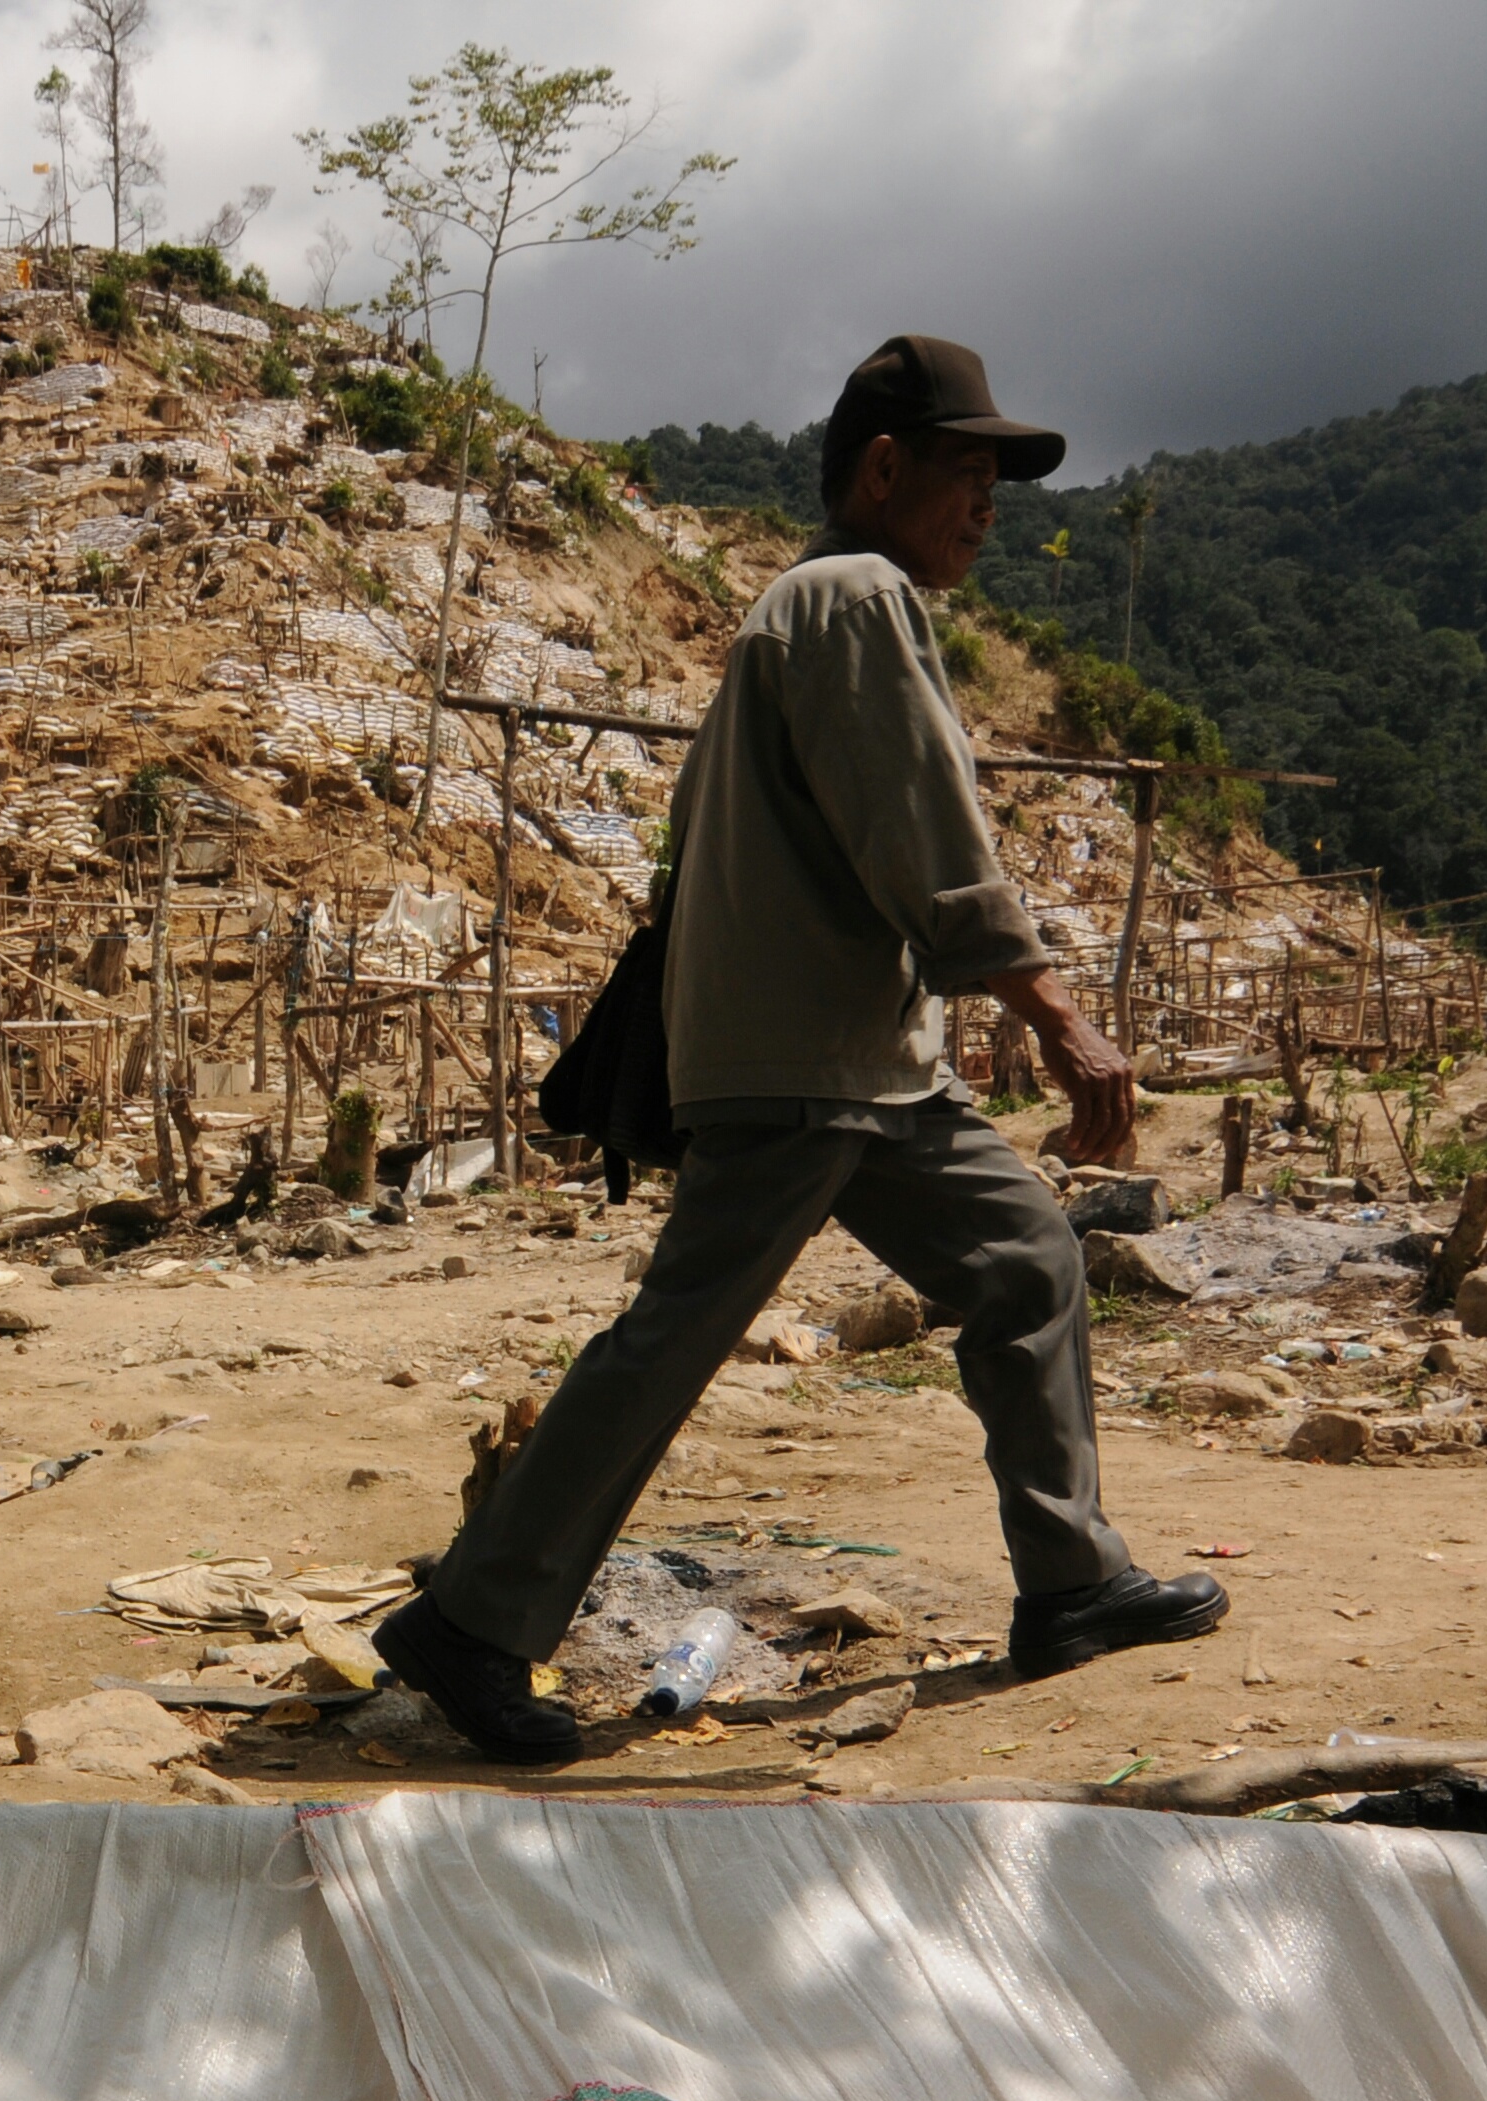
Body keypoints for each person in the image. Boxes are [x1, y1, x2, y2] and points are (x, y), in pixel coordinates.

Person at [373, 333, 1227, 1765]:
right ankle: (472, 1622)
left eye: (999, 485)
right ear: (882, 469)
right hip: (800, 1064)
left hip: (866, 1064)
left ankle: (1071, 1584)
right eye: (967, 474)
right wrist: (1057, 1014)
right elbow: (923, 833)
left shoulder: (809, 611)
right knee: (674, 1338)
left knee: (1026, 1261)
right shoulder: (850, 598)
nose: (987, 508)